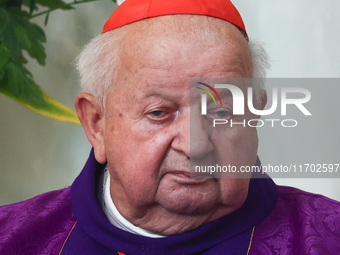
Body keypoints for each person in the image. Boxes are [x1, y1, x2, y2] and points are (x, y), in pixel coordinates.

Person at [0, 0, 339, 254]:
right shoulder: (12, 237)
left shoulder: (328, 236)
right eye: (160, 112)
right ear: (96, 124)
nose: (195, 146)